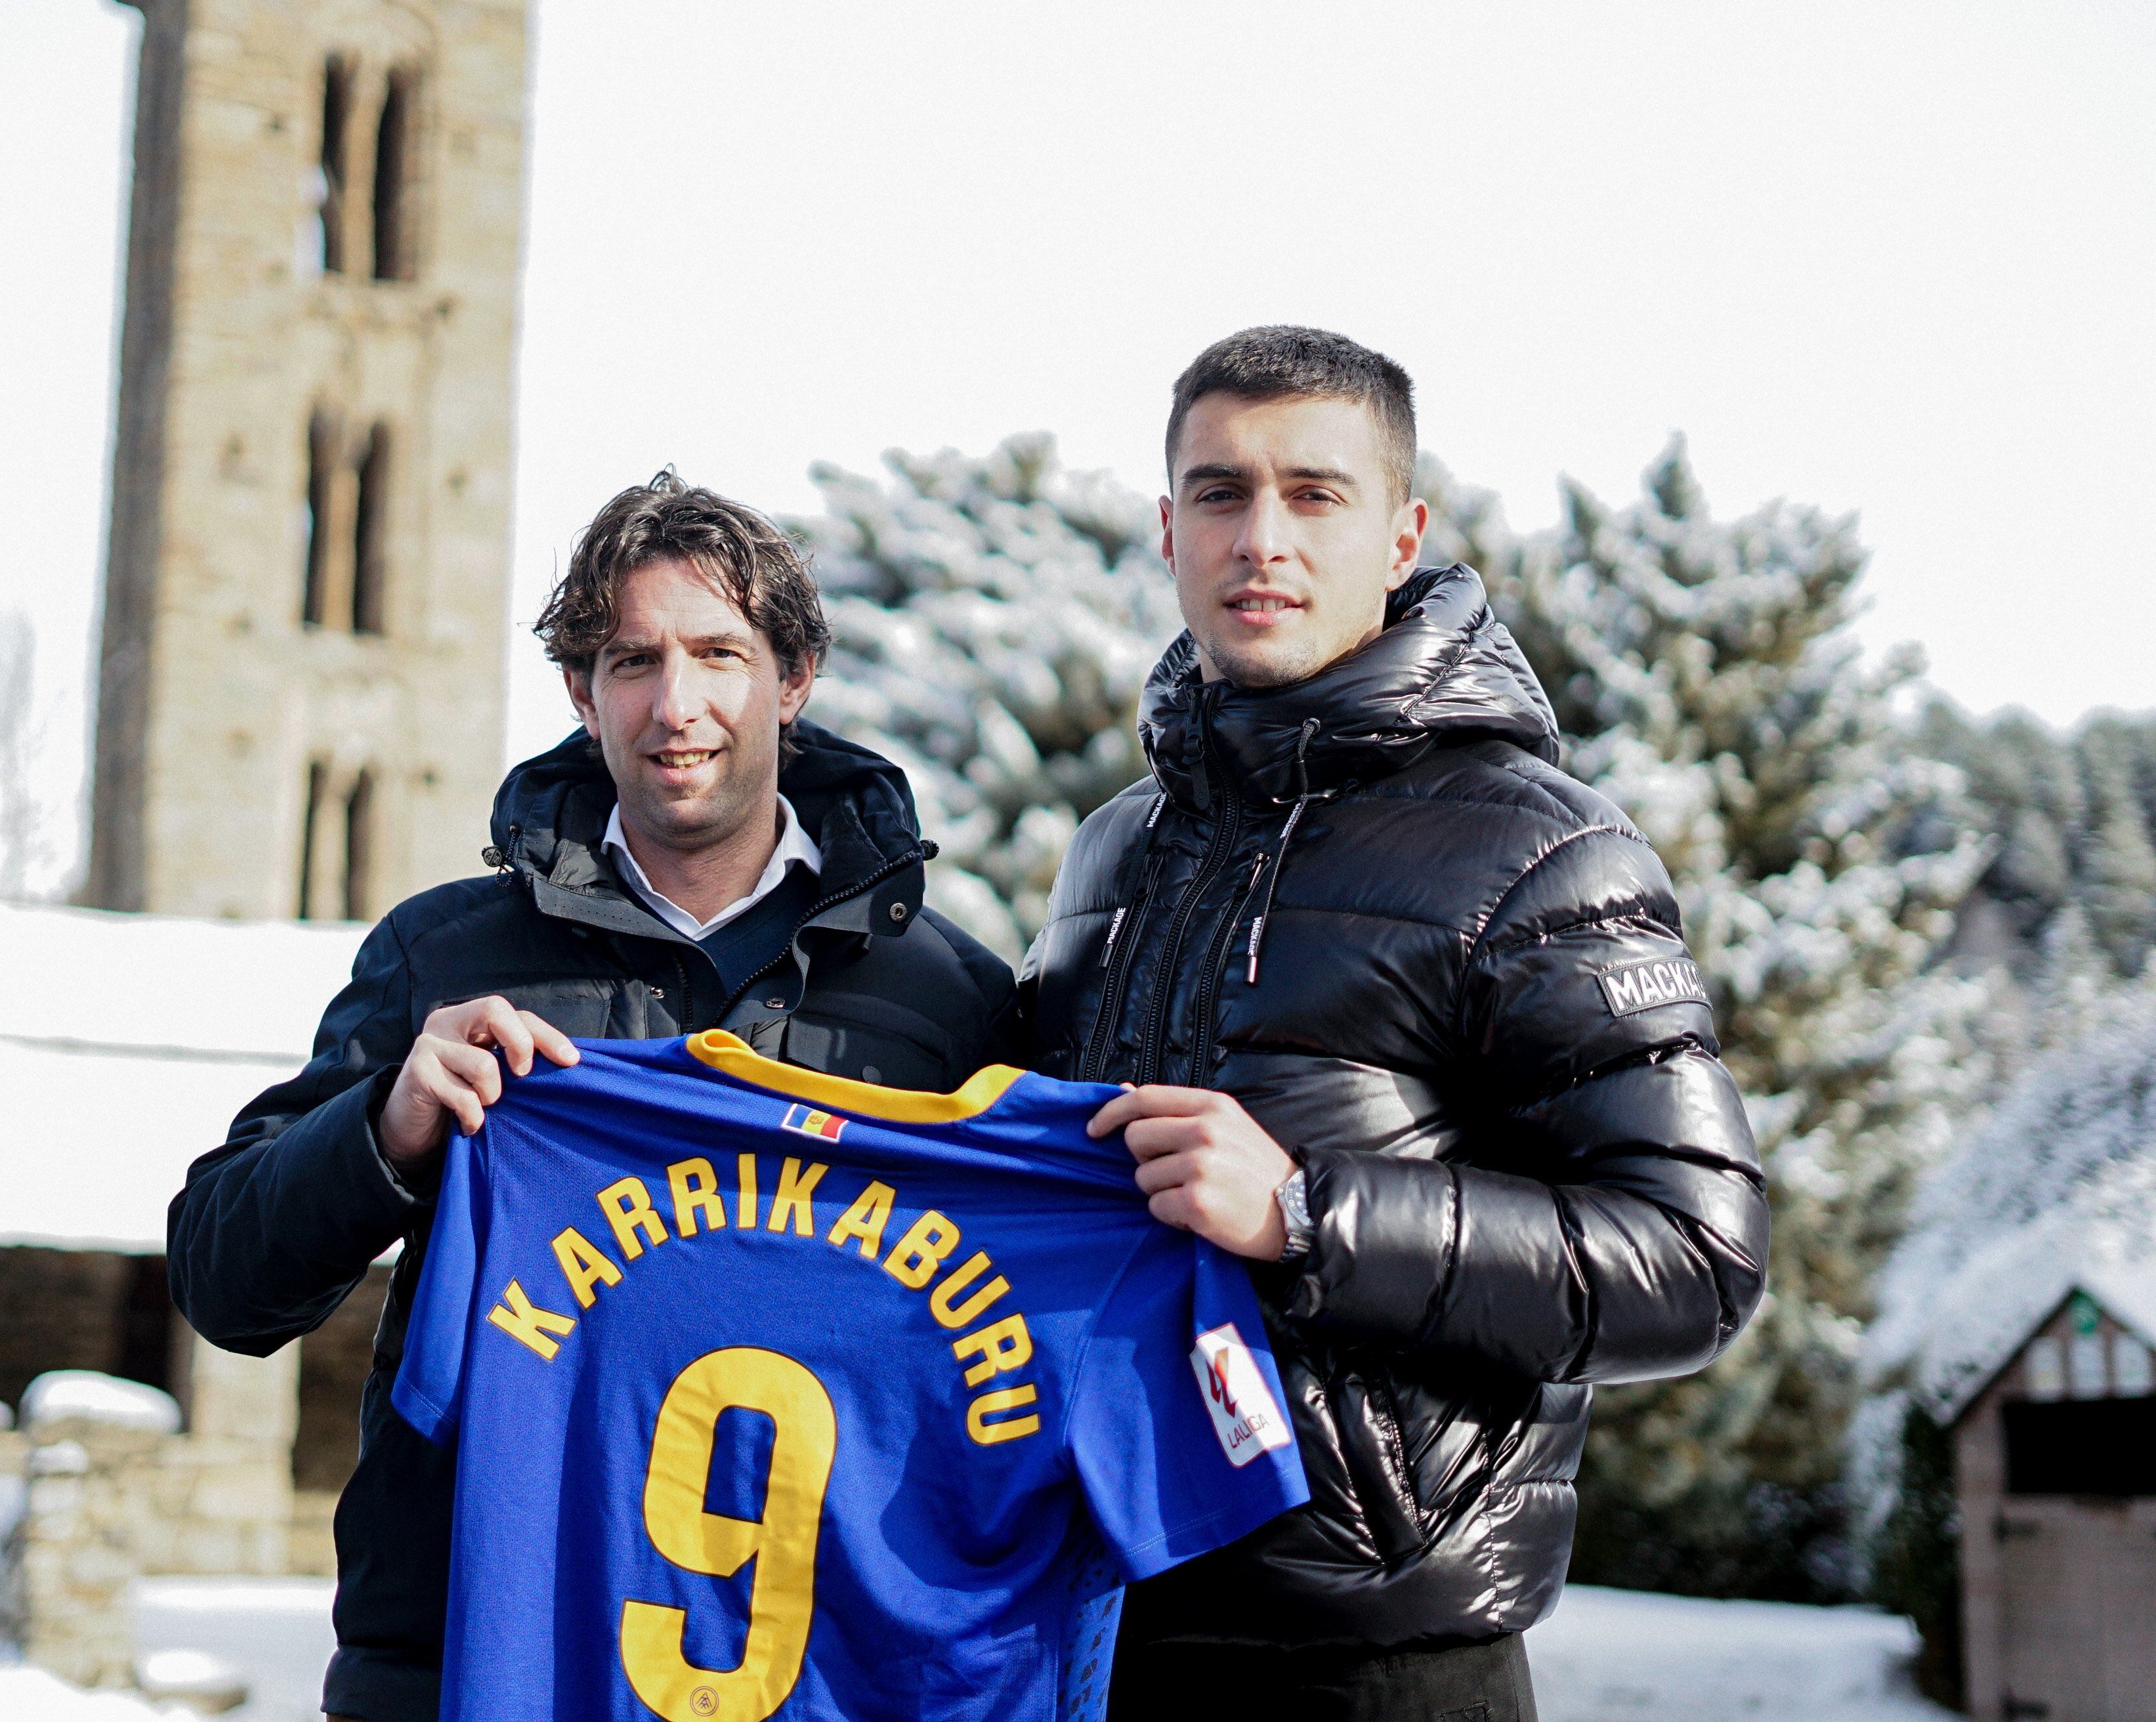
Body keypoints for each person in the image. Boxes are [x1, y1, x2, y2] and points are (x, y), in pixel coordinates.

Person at [167, 472, 1018, 1721]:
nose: (677, 707)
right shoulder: (443, 958)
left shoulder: (952, 1001)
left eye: (720, 655)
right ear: (583, 692)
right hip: (468, 1663)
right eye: (634, 661)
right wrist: (387, 1129)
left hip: (819, 1675)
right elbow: (222, 1283)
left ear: (792, 680)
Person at [1021, 327, 1771, 1719]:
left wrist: (1310, 1212)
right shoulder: (1109, 855)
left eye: (1315, 495)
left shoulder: (1536, 847)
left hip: (1386, 1661)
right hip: (1103, 1628)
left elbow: (1697, 1258)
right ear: (1166, 529)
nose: (1263, 540)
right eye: (1221, 494)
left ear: (1401, 532)